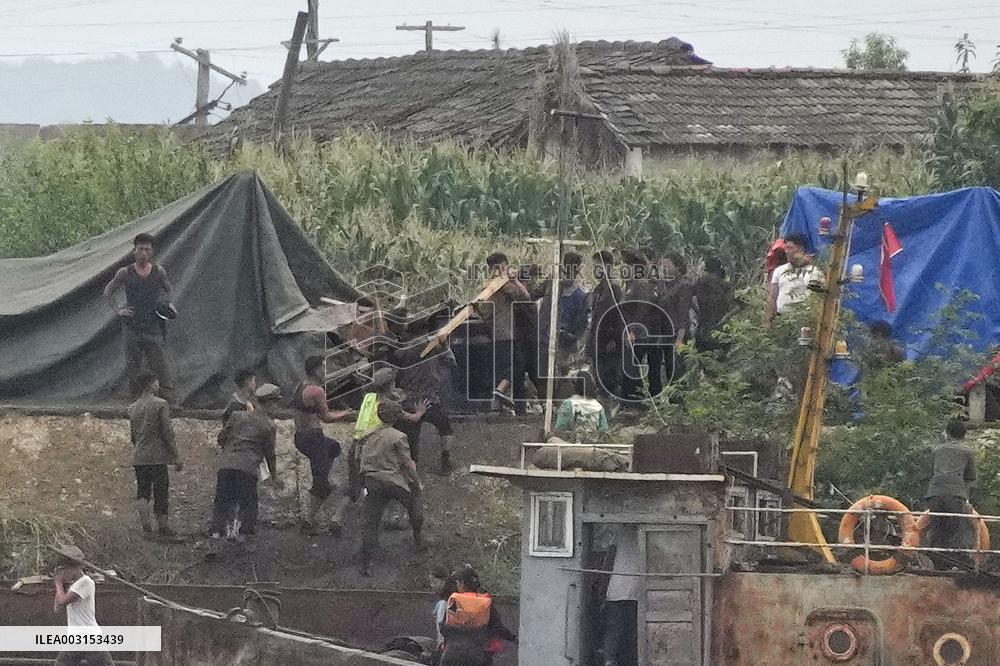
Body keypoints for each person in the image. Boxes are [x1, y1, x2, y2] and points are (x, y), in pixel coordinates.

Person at [104, 233, 175, 401]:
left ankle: (170, 402)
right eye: (140, 249)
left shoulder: (158, 271)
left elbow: (169, 289)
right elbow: (108, 292)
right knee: (133, 367)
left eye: (147, 249)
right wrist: (118, 310)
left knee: (160, 366)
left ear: (152, 253)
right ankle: (136, 403)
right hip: (132, 328)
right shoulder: (125, 272)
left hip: (153, 327)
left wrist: (166, 305)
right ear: (134, 252)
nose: (144, 252)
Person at [359, 400, 426, 576]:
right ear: (396, 416)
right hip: (392, 481)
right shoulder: (398, 437)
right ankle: (419, 540)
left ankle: (367, 564)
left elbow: (358, 458)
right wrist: (416, 482)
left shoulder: (367, 435)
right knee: (414, 505)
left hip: (371, 481)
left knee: (371, 522)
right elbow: (407, 463)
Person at [210, 383, 284, 541]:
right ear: (271, 403)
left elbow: (221, 438)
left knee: (222, 502)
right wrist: (274, 475)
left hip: (227, 465)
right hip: (247, 468)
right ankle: (243, 537)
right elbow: (269, 454)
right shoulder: (269, 426)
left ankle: (216, 536)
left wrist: (230, 450)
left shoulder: (237, 415)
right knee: (248, 504)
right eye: (276, 402)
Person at [293, 355, 354, 535]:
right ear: (317, 370)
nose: (325, 372)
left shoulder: (299, 386)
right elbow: (326, 417)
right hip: (313, 437)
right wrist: (345, 413)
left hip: (301, 437)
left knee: (334, 447)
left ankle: (330, 480)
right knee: (322, 483)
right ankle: (308, 520)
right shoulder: (317, 391)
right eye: (323, 368)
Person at [392, 320, 459, 473]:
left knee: (411, 437)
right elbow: (451, 362)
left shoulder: (401, 350)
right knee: (445, 428)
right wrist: (445, 345)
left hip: (408, 400)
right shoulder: (432, 347)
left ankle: (410, 468)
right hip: (430, 399)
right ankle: (445, 459)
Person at [128, 370, 182, 537]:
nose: (159, 385)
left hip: (139, 456)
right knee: (160, 491)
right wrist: (176, 455)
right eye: (157, 382)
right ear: (151, 384)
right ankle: (163, 526)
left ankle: (146, 526)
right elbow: (167, 431)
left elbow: (133, 435)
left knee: (143, 491)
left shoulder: (132, 408)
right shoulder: (161, 404)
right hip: (157, 457)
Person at [478, 252, 530, 412]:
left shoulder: (486, 286)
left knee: (504, 369)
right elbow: (525, 297)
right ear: (503, 267)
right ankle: (501, 393)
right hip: (507, 333)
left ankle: (498, 405)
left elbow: (482, 311)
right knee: (517, 366)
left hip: (495, 334)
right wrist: (515, 281)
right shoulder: (504, 284)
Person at [924, 419, 978, 569]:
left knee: (937, 527)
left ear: (947, 433)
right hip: (956, 493)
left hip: (934, 492)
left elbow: (930, 472)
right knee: (955, 530)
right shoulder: (967, 452)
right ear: (964, 435)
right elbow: (970, 477)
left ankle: (938, 564)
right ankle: (957, 562)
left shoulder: (937, 451)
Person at [439, 564, 516, 666]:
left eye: (457, 582)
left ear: (461, 583)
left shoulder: (454, 601)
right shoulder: (485, 604)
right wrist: (515, 639)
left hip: (452, 655)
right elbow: (498, 628)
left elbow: (443, 628)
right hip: (477, 656)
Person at [51, 545, 115, 666]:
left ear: (76, 568)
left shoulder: (85, 582)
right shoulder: (73, 585)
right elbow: (57, 608)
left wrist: (58, 584)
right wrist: (61, 586)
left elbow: (63, 601)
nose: (65, 572)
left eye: (67, 569)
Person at [538, 252, 590, 396]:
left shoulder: (580, 294)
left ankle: (558, 400)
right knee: (545, 370)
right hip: (546, 334)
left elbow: (582, 321)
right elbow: (534, 294)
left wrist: (572, 336)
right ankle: (549, 401)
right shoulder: (551, 284)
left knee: (562, 370)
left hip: (563, 339)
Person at [618, 250, 660, 403]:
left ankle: (633, 400)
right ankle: (632, 399)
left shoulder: (641, 284)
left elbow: (642, 310)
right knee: (631, 367)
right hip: (636, 331)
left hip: (641, 334)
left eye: (625, 265)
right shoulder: (633, 283)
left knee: (632, 367)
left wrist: (633, 331)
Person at [764, 233, 823, 329]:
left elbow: (818, 298)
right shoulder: (779, 271)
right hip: (782, 321)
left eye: (790, 248)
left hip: (803, 322)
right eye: (786, 248)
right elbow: (772, 297)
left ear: (800, 250)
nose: (786, 252)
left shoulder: (814, 271)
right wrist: (768, 321)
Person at [653, 252, 693, 389]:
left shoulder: (684, 286)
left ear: (678, 267)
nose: (663, 269)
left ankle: (680, 406)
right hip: (666, 334)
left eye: (667, 266)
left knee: (677, 374)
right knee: (669, 373)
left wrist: (680, 340)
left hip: (678, 334)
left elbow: (683, 316)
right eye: (661, 266)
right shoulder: (666, 286)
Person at [586, 251, 624, 398]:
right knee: (599, 379)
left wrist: (613, 339)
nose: (596, 269)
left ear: (608, 267)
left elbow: (618, 316)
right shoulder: (599, 289)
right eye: (594, 266)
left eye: (598, 266)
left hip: (608, 343)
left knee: (608, 380)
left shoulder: (613, 289)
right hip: (598, 341)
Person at [602, 525, 639, 666]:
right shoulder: (643, 530)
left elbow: (609, 560)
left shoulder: (619, 532)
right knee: (633, 630)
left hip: (617, 589)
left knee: (614, 629)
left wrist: (602, 587)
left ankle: (610, 660)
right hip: (637, 590)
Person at [693, 256, 735, 352]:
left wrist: (697, 311)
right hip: (716, 329)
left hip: (709, 330)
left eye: (703, 270)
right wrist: (726, 317)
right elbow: (740, 304)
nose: (701, 273)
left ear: (709, 272)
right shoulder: (701, 284)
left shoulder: (701, 283)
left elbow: (687, 296)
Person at [554, 371, 609, 441]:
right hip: (592, 447)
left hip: (570, 447)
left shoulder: (568, 404)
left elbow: (560, 428)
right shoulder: (598, 406)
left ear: (574, 385)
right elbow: (603, 429)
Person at [430, 565, 457, 656]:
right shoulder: (455, 599)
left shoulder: (444, 603)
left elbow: (441, 634)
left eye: (434, 581)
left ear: (443, 581)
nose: (431, 585)